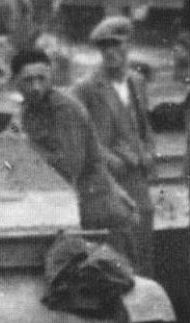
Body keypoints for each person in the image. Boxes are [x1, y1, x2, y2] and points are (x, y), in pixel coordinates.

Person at [11, 48, 138, 261]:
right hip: (77, 213)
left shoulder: (64, 109)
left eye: (41, 78)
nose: (36, 87)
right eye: (28, 80)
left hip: (99, 216)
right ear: (15, 82)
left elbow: (69, 167)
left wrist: (26, 146)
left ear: (51, 75)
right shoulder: (30, 110)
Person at [70, 16, 156, 278]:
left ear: (128, 45)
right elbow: (80, 135)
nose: (110, 52)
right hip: (107, 181)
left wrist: (149, 151)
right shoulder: (86, 87)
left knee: (144, 241)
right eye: (104, 47)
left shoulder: (136, 82)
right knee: (117, 249)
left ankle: (146, 294)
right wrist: (108, 159)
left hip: (137, 177)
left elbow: (144, 124)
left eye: (116, 45)